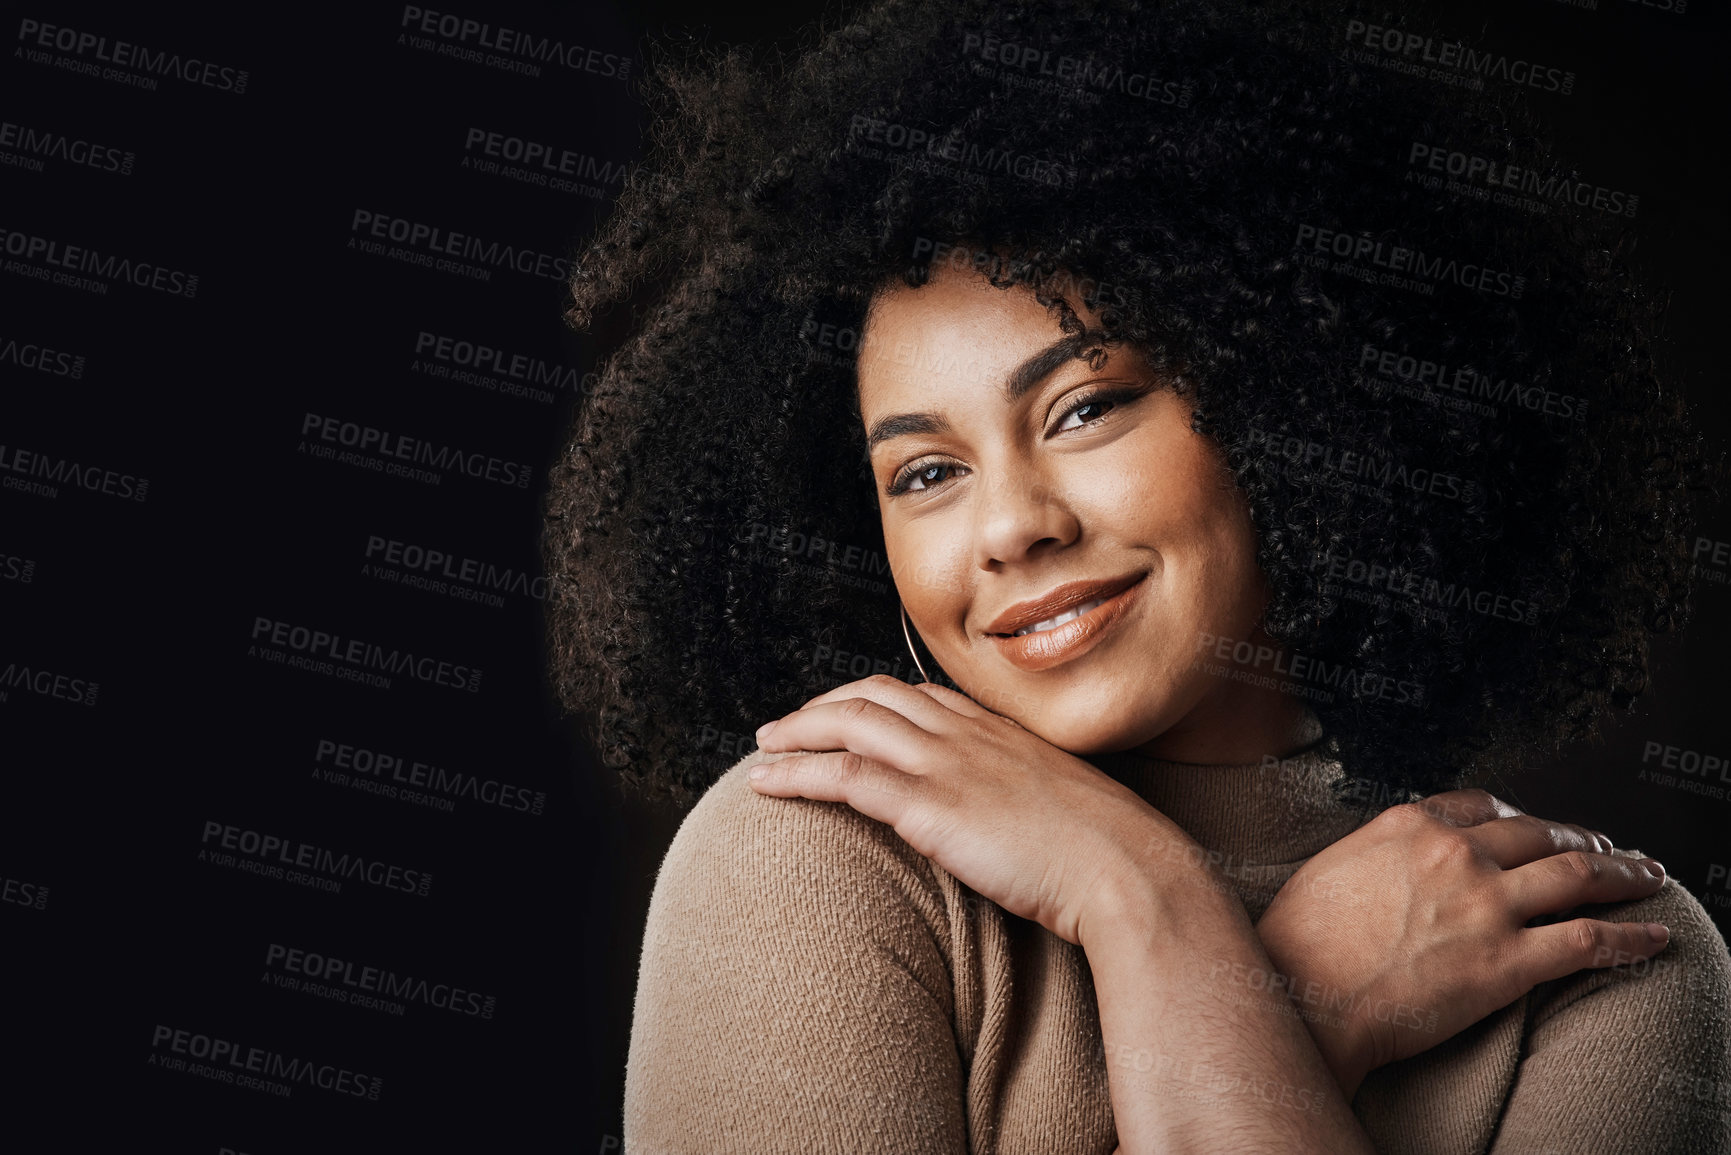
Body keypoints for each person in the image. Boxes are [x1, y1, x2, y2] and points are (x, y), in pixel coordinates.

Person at [544, 0, 1731, 1149]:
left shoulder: (1587, 954)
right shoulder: (809, 857)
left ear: (1295, 395)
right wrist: (1182, 923)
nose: (1010, 529)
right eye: (923, 476)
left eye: (1086, 408)